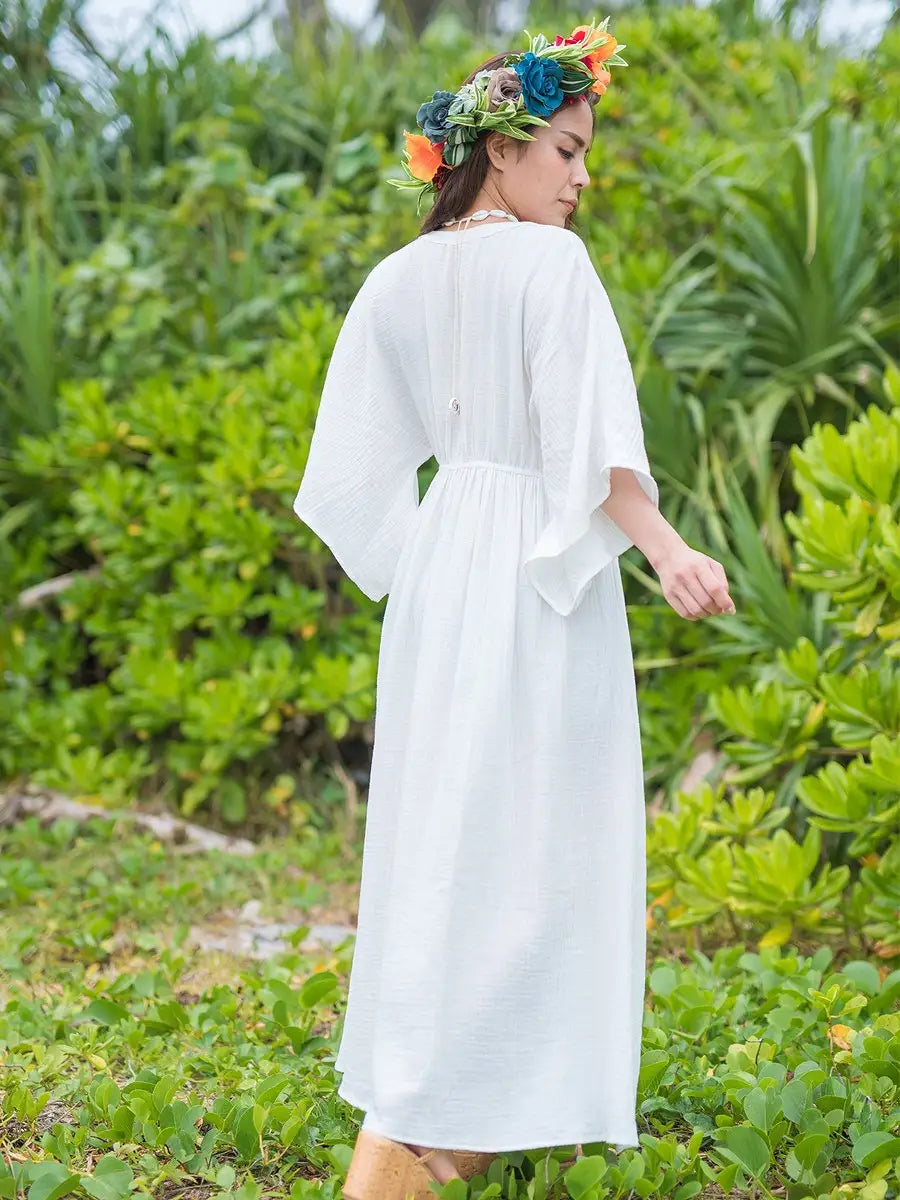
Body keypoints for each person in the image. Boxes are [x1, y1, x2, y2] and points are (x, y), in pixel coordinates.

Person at [292, 17, 736, 1200]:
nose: (582, 179)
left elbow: (351, 476)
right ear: (499, 149)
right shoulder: (552, 268)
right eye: (567, 151)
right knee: (546, 839)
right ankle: (450, 1135)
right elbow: (592, 453)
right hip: (539, 572)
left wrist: (430, 557)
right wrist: (669, 550)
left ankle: (429, 1117)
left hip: (444, 571)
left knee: (445, 837)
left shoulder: (398, 277)